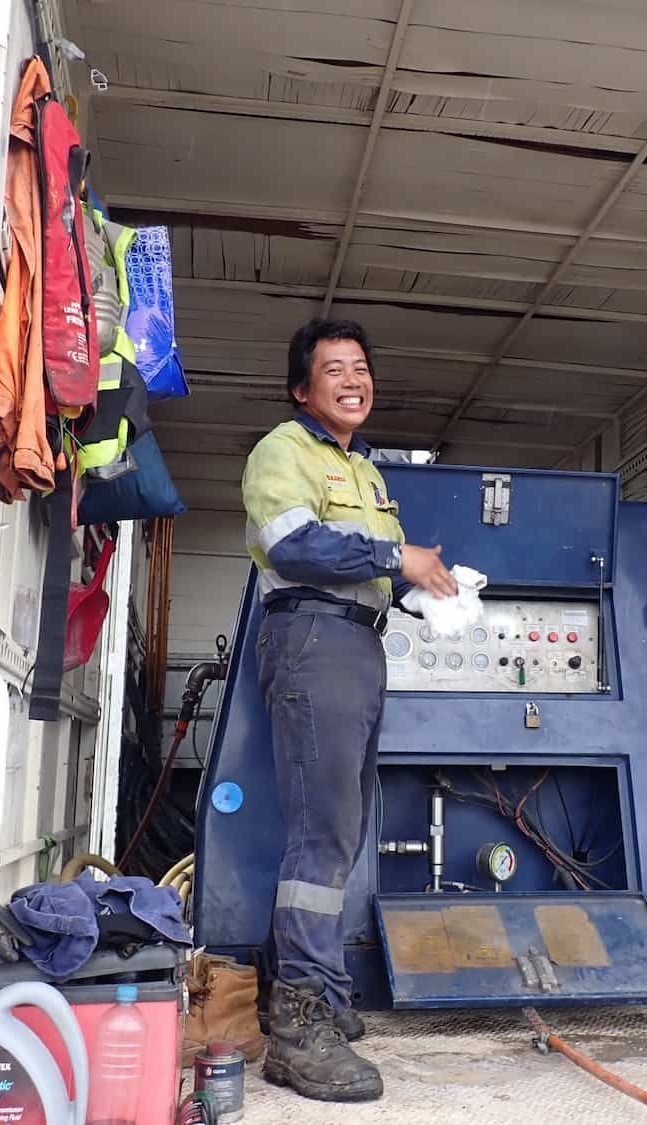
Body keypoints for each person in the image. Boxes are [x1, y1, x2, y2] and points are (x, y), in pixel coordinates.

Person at [240, 318, 457, 1102]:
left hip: (359, 648)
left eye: (361, 367)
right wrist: (397, 557)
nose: (352, 379)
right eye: (334, 369)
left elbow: (379, 566)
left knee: (344, 827)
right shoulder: (283, 452)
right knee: (322, 834)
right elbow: (294, 545)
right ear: (303, 388)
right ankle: (297, 1025)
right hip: (312, 642)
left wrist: (431, 588)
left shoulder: (365, 471)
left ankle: (319, 991)